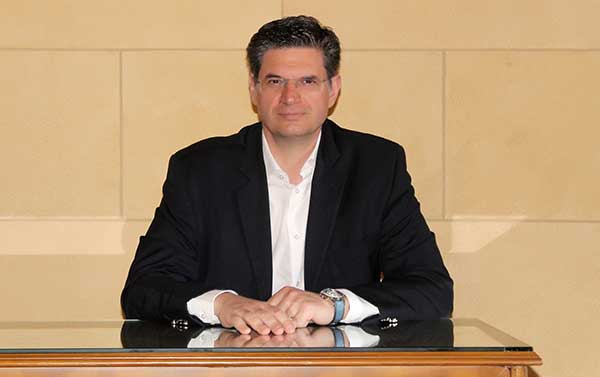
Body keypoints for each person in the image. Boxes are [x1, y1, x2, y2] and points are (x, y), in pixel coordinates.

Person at [121, 15, 453, 336]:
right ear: (254, 89)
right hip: (231, 366)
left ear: (333, 89)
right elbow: (144, 288)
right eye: (275, 81)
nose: (290, 97)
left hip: (341, 369)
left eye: (308, 81)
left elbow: (432, 290)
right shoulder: (200, 170)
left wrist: (334, 305)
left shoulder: (376, 167)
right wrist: (222, 304)